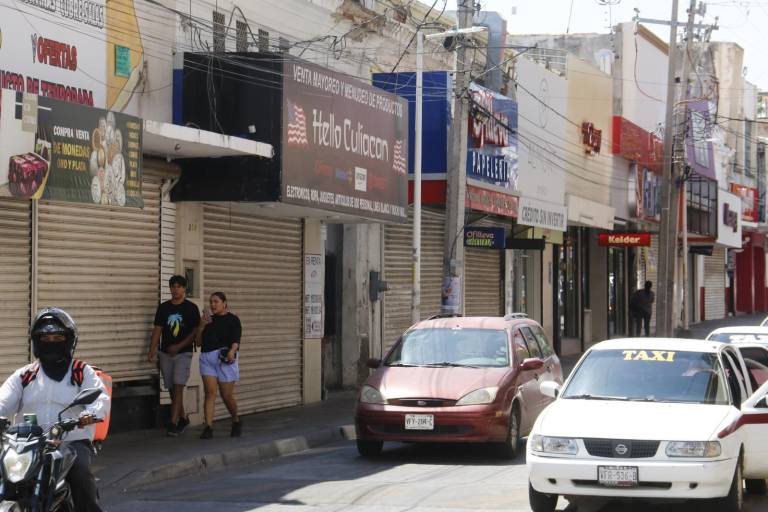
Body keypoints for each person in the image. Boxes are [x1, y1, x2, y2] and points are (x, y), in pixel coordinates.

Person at [0, 307, 110, 512]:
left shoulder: (80, 371)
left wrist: (90, 414)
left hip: (70, 441)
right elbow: (3, 400)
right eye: (45, 337)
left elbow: (99, 397)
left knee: (80, 472)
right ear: (36, 341)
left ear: (69, 340)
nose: (51, 342)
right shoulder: (25, 375)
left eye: (57, 337)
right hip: (28, 445)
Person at [148, 275, 200, 436]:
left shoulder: (191, 308)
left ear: (184, 289)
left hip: (183, 353)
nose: (175, 289)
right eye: (173, 286)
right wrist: (152, 350)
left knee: (178, 386)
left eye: (179, 286)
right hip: (165, 353)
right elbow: (158, 329)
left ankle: (172, 422)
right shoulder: (164, 308)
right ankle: (183, 418)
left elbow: (194, 332)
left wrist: (179, 346)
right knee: (171, 387)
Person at [197, 292, 242, 439]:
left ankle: (236, 419)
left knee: (226, 395)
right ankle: (208, 427)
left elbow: (236, 339)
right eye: (211, 302)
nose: (213, 305)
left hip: (224, 358)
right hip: (207, 358)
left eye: (216, 301)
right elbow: (198, 342)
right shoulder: (208, 320)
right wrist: (201, 326)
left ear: (224, 303)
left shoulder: (233, 319)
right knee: (210, 393)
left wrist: (232, 351)